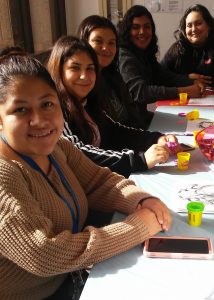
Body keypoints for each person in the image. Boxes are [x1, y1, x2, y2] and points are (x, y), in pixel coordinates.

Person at [0, 54, 171, 299]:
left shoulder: (58, 147)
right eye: (21, 109)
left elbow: (99, 182)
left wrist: (141, 200)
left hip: (70, 280)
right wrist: (137, 228)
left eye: (47, 104)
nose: (39, 120)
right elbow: (45, 254)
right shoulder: (4, 174)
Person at [47, 36, 180, 178]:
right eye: (75, 68)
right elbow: (78, 153)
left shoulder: (86, 102)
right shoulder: (55, 109)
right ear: (59, 70)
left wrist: (156, 138)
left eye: (90, 68)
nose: (84, 76)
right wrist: (140, 160)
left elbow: (115, 131)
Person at [118, 5, 204, 128]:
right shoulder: (125, 56)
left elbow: (164, 76)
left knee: (191, 123)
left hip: (141, 116)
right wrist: (185, 91)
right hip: (129, 126)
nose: (142, 32)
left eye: (147, 27)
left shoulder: (144, 53)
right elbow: (140, 93)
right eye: (136, 27)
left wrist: (191, 81)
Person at [78, 15, 146, 129]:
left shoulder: (112, 75)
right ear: (84, 43)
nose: (106, 48)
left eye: (111, 43)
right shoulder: (83, 85)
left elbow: (133, 114)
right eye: (98, 41)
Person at [161, 4, 214, 86]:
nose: (193, 29)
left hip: (213, 97)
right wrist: (186, 79)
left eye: (198, 23)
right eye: (189, 25)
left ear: (209, 25)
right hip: (182, 96)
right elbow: (159, 75)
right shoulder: (178, 48)